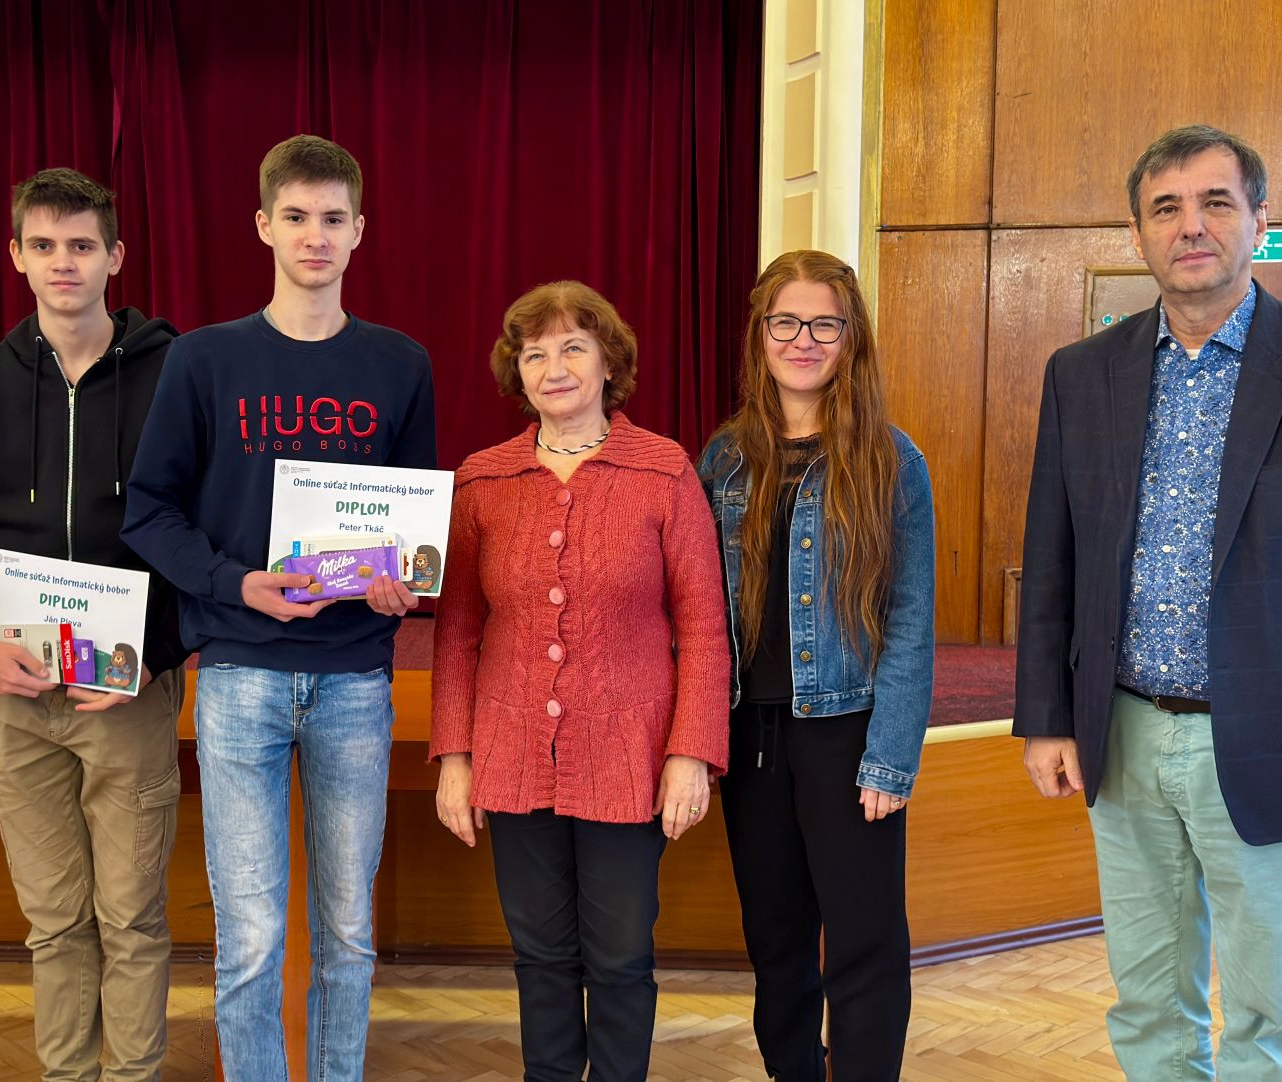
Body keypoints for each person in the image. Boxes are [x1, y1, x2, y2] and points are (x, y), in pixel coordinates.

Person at [1015, 125, 1282, 1081]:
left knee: (1269, 1011)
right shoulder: (1082, 373)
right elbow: (1052, 557)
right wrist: (1046, 716)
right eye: (1166, 208)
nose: (1190, 226)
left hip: (1278, 739)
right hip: (1122, 734)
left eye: (1214, 203)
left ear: (1259, 220)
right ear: (1138, 234)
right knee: (1147, 999)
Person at [122, 134, 436, 1081]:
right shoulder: (205, 360)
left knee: (347, 928)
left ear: (359, 231)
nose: (315, 236)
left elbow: (413, 533)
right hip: (239, 674)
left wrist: (400, 585)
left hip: (355, 679)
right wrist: (236, 582)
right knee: (251, 932)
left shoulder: (400, 363)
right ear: (263, 225)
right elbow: (149, 511)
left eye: (333, 219)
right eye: (296, 217)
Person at [430, 280, 729, 1081]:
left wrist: (690, 755)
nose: (554, 368)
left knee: (622, 956)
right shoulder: (482, 481)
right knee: (539, 956)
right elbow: (456, 634)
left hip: (629, 758)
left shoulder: (663, 471)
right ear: (517, 372)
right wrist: (455, 758)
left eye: (572, 348)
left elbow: (705, 628)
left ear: (608, 363)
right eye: (535, 354)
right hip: (511, 755)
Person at [0, 167, 187, 1082]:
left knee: (132, 918)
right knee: (54, 921)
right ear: (16, 257)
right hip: (16, 691)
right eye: (43, 245)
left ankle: (134, 1075)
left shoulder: (176, 373)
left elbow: (203, 530)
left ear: (115, 256)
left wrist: (156, 655)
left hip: (129, 691)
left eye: (81, 245)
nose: (62, 262)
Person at [697, 250, 935, 1082]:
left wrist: (891, 757)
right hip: (750, 737)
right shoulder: (723, 459)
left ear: (851, 336)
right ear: (761, 334)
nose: (804, 340)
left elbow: (911, 621)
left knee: (864, 941)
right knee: (776, 941)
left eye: (824, 324)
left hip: (848, 734)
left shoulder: (892, 461)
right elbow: (700, 612)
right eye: (786, 322)